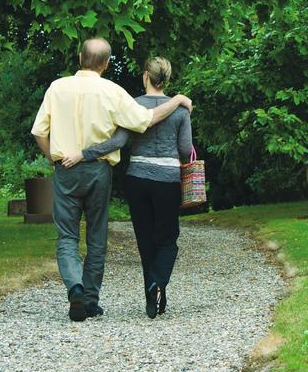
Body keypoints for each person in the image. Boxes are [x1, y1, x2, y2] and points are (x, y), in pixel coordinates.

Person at [31, 39, 192, 323]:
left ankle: (75, 289)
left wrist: (53, 159)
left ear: (80, 56)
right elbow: (146, 120)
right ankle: (91, 301)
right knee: (97, 237)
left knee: (67, 236)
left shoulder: (57, 87)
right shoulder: (113, 92)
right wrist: (178, 100)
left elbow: (39, 132)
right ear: (106, 64)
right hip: (99, 171)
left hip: (66, 168)